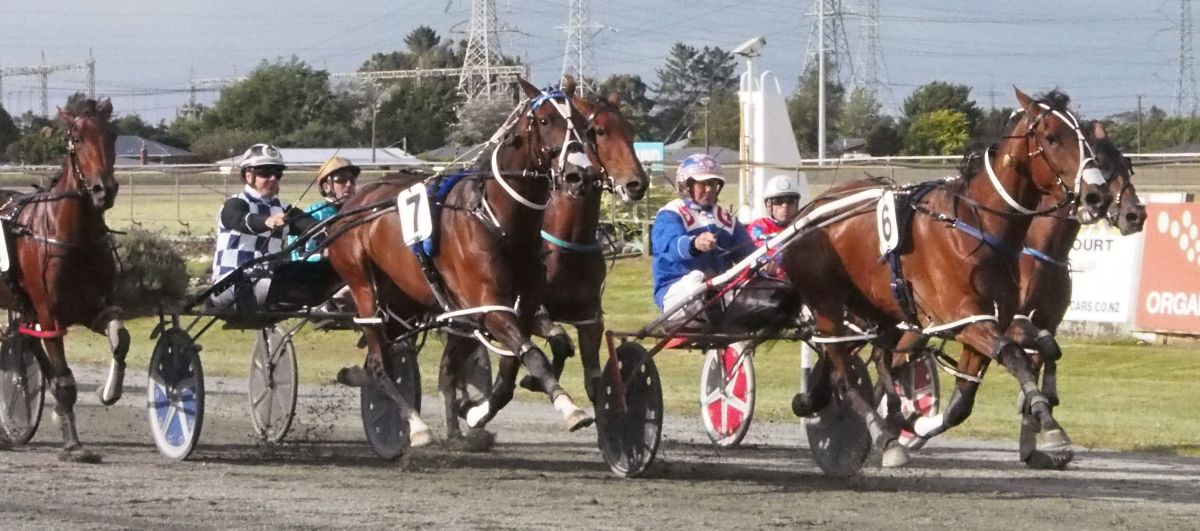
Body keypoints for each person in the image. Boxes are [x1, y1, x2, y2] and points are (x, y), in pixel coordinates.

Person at [210, 143, 318, 309]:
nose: (273, 178)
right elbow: (240, 219)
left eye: (278, 173)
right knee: (273, 285)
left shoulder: (285, 209)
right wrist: (267, 221)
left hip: (269, 282)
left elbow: (313, 226)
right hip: (228, 284)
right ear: (248, 175)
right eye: (265, 173)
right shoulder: (234, 204)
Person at [651, 154, 755, 322]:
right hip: (675, 291)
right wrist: (694, 244)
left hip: (718, 290)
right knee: (697, 278)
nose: (709, 189)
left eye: (713, 183)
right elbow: (670, 246)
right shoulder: (670, 213)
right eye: (703, 184)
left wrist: (767, 262)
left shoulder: (726, 219)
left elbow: (749, 254)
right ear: (686, 185)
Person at [291, 155, 359, 262]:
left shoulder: (360, 213)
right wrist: (325, 255)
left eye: (352, 180)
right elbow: (297, 257)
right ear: (326, 187)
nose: (349, 184)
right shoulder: (313, 215)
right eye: (342, 179)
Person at [747, 174, 802, 280]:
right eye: (778, 201)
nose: (785, 206)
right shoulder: (758, 227)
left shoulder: (803, 225)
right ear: (768, 205)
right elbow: (757, 251)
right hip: (768, 283)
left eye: (790, 200)